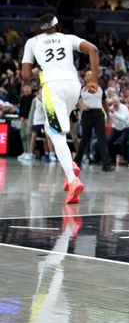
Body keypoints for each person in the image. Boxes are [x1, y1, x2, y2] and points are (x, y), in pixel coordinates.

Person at [20, 14, 98, 203]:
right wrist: (94, 78)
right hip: (73, 87)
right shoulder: (67, 38)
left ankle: (72, 180)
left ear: (40, 28)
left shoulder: (32, 42)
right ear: (57, 26)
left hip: (52, 88)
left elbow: (25, 75)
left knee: (56, 134)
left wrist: (40, 69)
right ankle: (69, 163)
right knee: (49, 127)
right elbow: (93, 50)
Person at [74, 70, 113, 171]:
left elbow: (104, 102)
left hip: (98, 114)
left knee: (102, 139)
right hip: (87, 114)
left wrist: (108, 115)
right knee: (84, 139)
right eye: (88, 75)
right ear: (85, 78)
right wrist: (81, 105)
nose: (90, 76)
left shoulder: (100, 88)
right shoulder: (81, 89)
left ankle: (106, 165)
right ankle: (77, 162)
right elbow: (75, 102)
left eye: (92, 74)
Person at [108, 97, 129, 164]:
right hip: (116, 127)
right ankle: (112, 159)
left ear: (119, 102)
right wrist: (110, 112)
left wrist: (114, 113)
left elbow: (122, 118)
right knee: (109, 141)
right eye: (114, 102)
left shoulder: (124, 108)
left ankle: (126, 158)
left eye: (116, 102)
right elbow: (109, 117)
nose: (115, 104)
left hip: (126, 127)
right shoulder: (111, 108)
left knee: (123, 141)